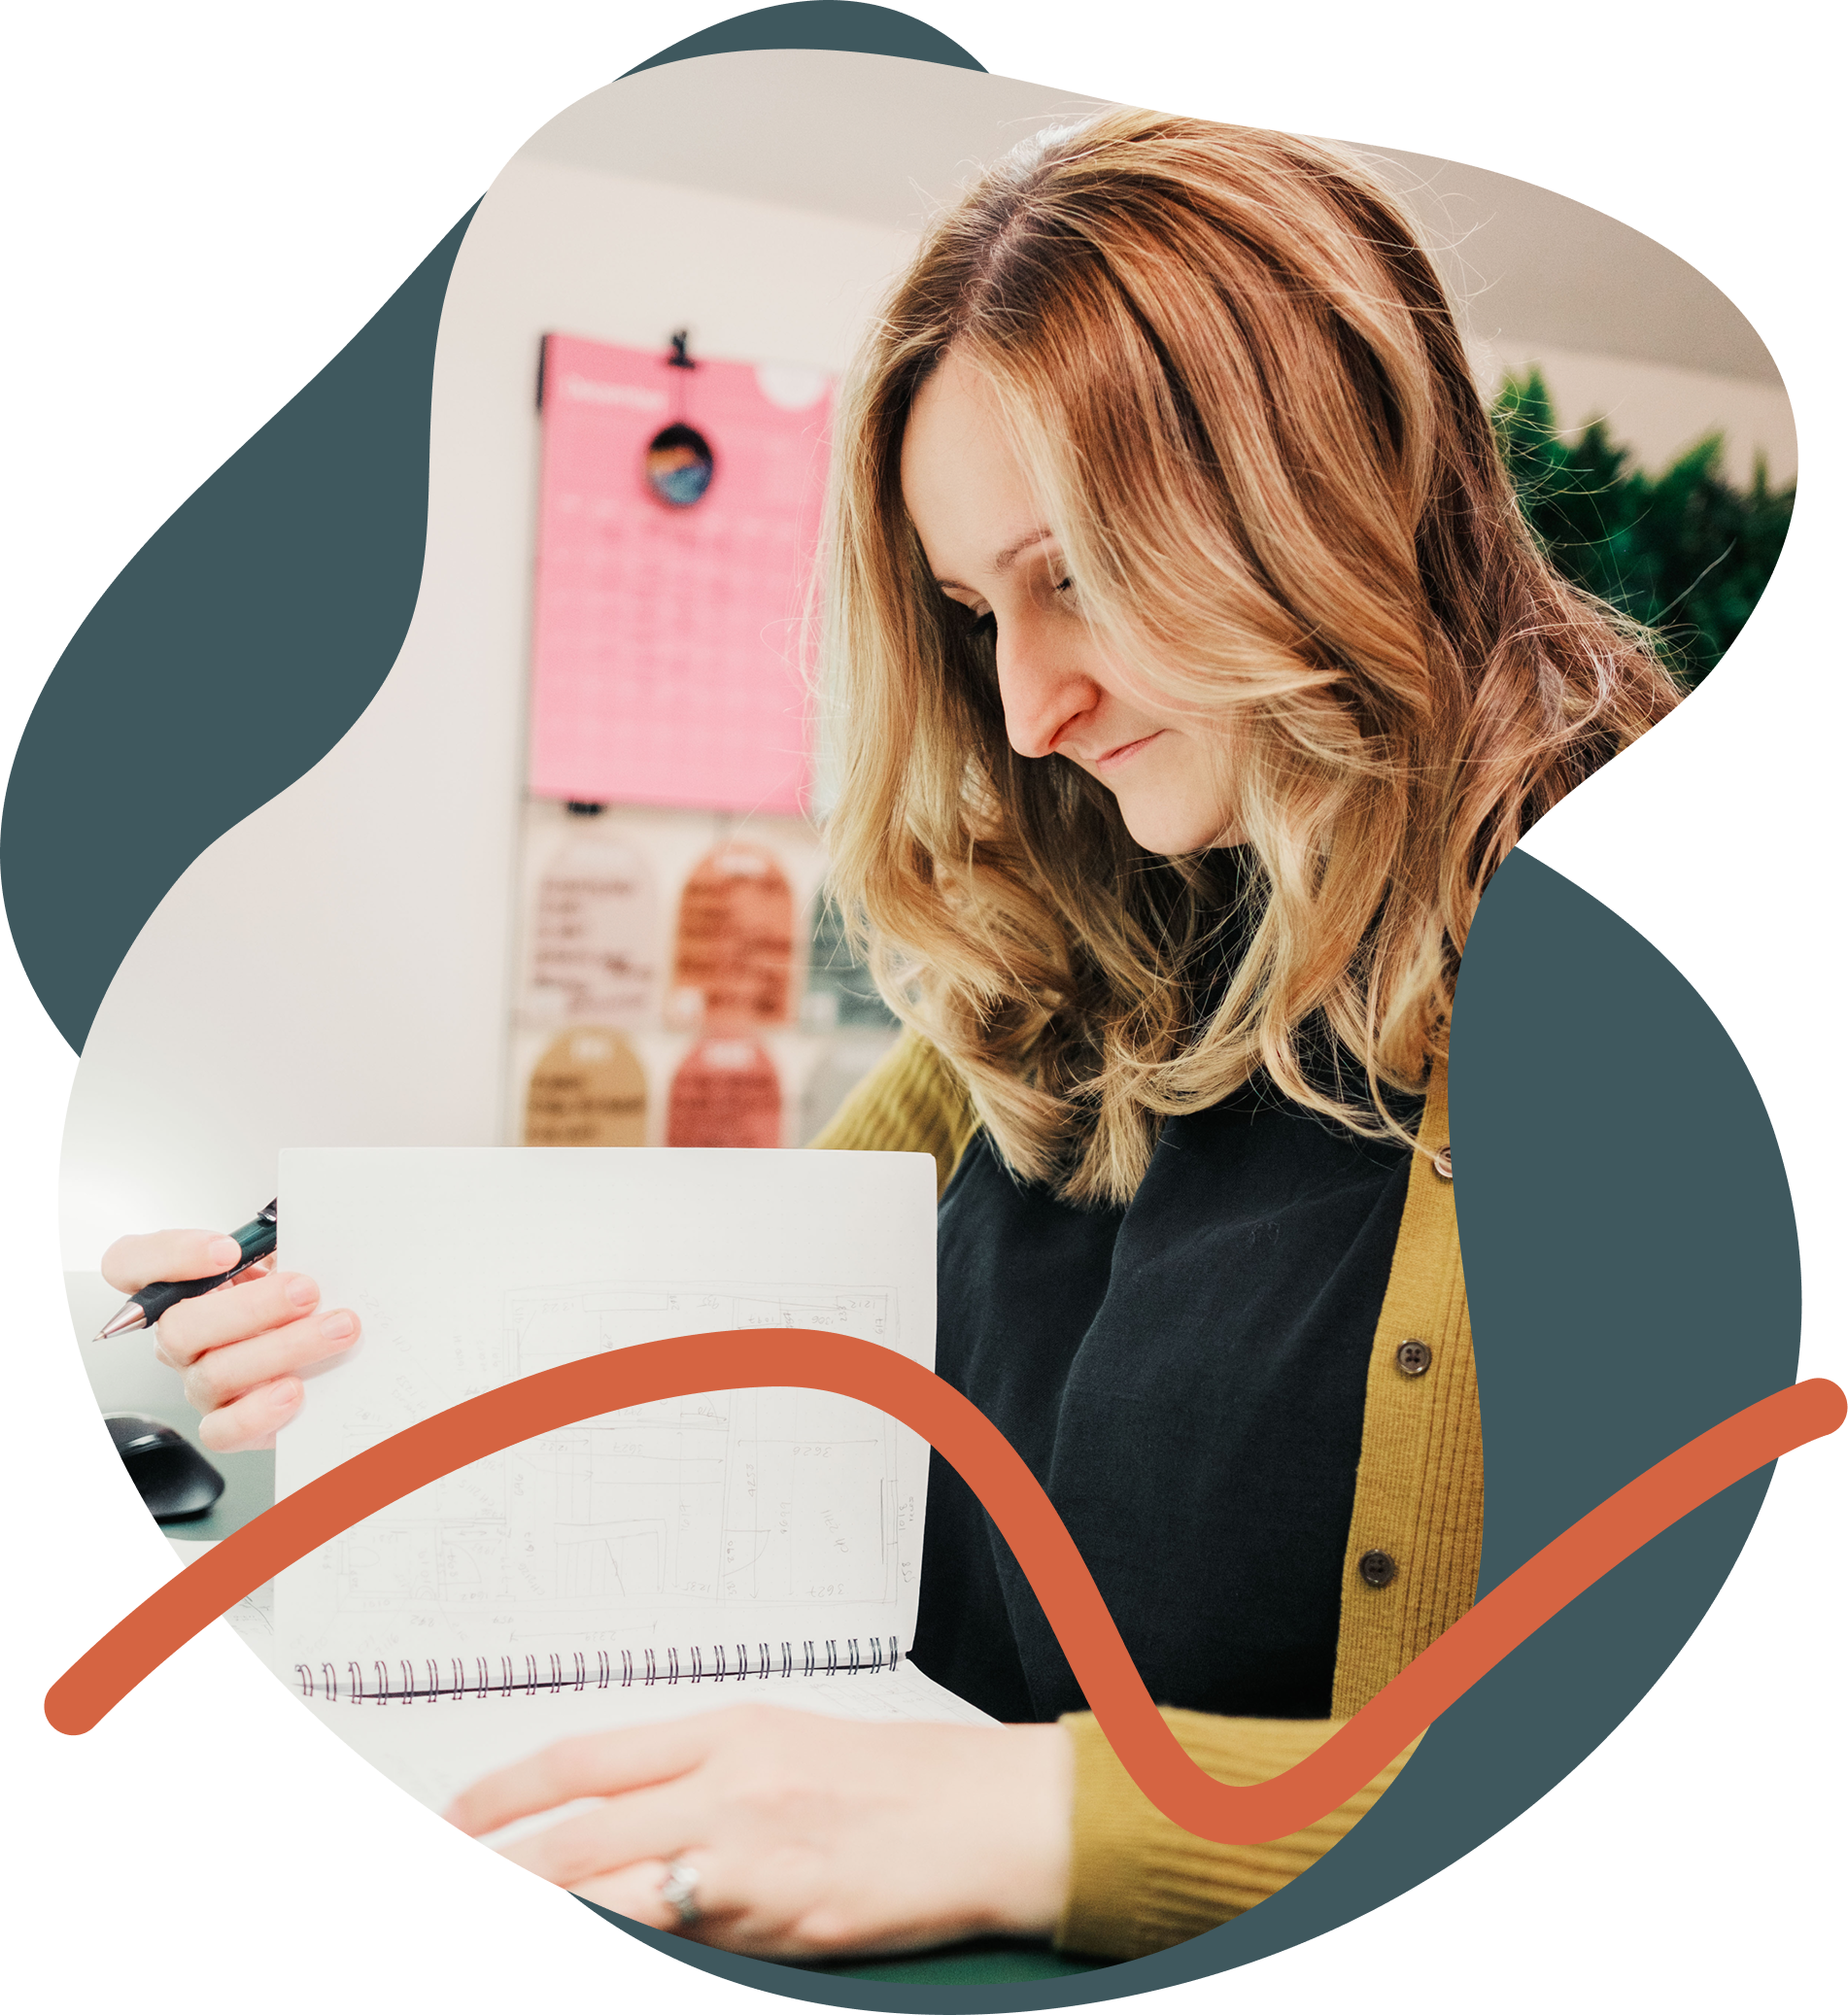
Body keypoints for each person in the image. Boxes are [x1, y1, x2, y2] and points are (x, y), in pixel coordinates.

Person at [100, 115, 1682, 1962]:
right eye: (970, 610)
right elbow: (743, 1380)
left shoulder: (1633, 1061)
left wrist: (1042, 1821)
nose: (1021, 705)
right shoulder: (1070, 975)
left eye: (1073, 571)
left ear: (1309, 487)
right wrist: (375, 1328)